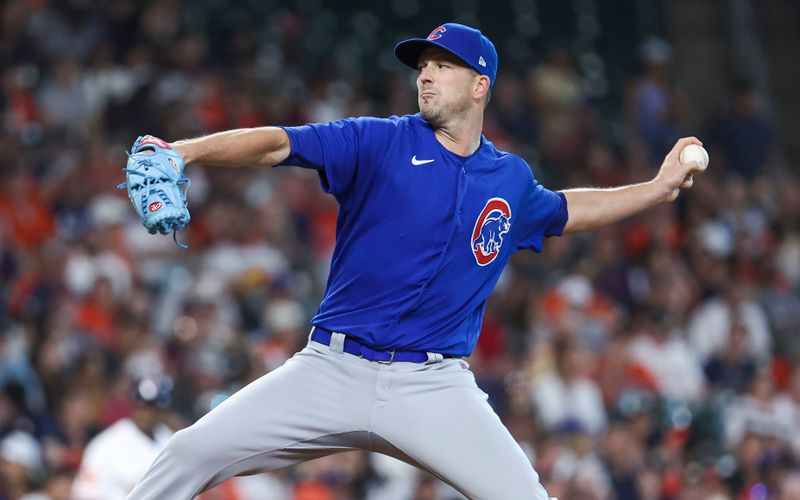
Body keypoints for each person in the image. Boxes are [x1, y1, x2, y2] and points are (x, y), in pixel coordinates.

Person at [127, 23, 705, 500]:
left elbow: (565, 210)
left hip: (433, 385)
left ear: (480, 86)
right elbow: (279, 142)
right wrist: (188, 150)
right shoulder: (379, 140)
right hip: (331, 369)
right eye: (422, 65)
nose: (425, 73)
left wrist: (655, 189)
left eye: (443, 65)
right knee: (187, 454)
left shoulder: (508, 178)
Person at [72, 375, 174, 499]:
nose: (145, 413)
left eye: (151, 408)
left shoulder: (170, 439)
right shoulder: (106, 444)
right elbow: (85, 493)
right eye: (141, 406)